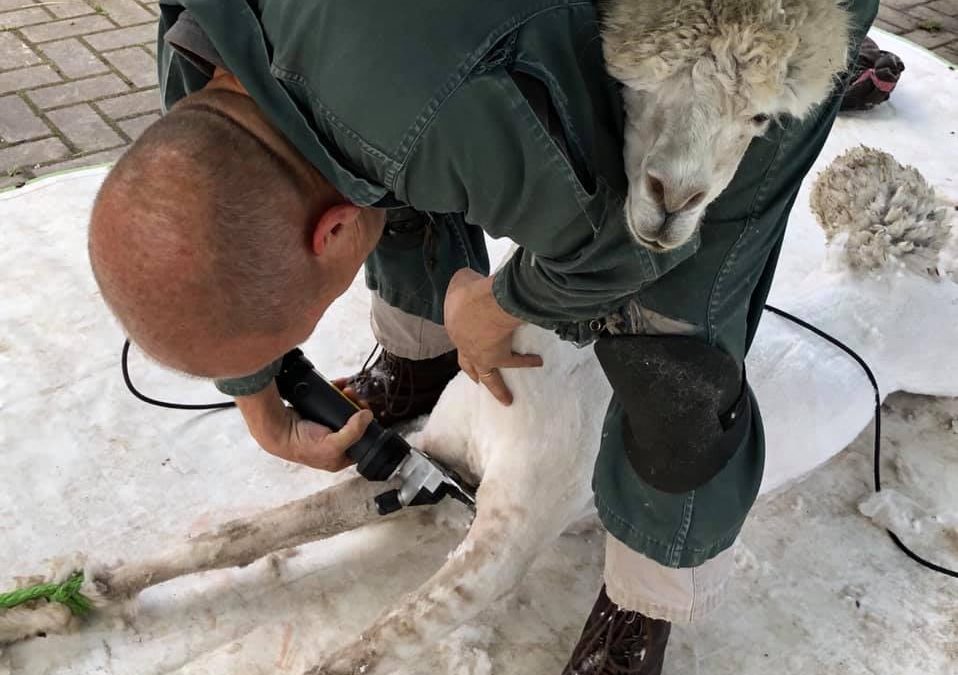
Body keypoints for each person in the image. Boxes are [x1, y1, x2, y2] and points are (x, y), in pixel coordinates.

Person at [87, 1, 877, 672]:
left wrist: (497, 305)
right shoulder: (202, 40)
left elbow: (614, 252)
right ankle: (421, 362)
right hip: (414, 70)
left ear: (329, 235)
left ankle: (648, 589)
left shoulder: (471, 110)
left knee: (675, 298)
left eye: (294, 331)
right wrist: (257, 392)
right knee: (359, 164)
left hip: (754, 31)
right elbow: (220, 196)